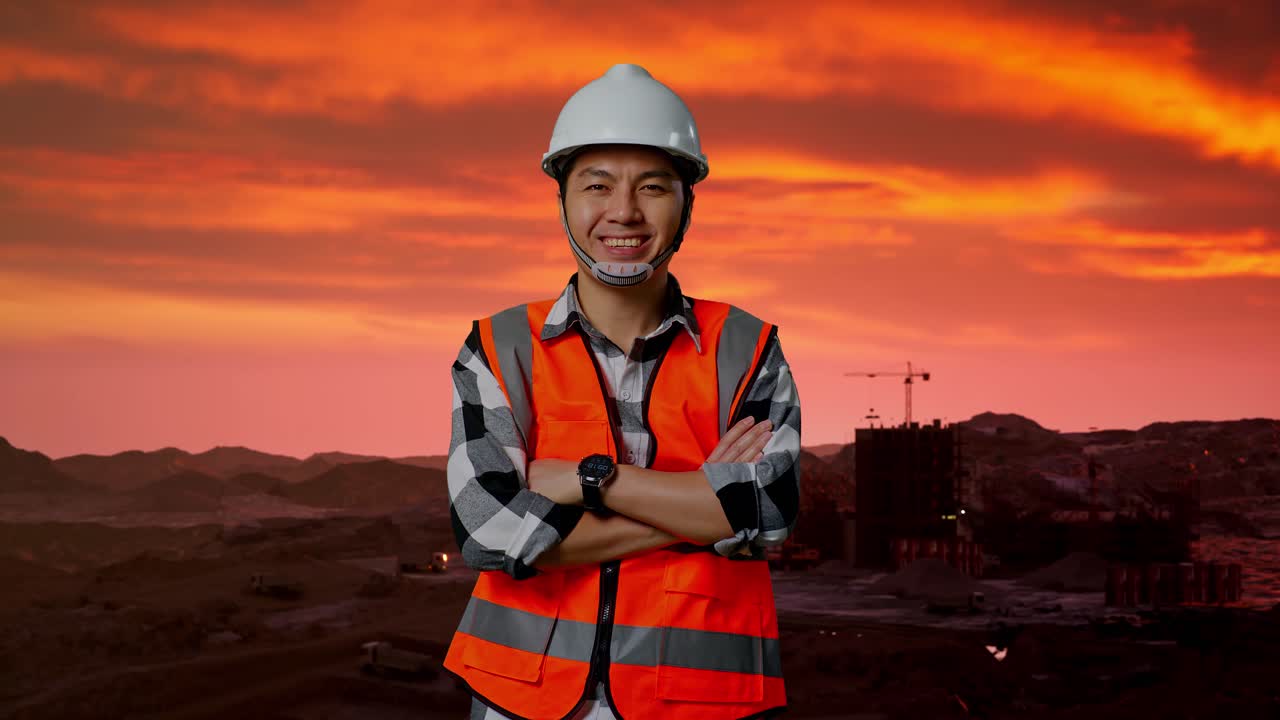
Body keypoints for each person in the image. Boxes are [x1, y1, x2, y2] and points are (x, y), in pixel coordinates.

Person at [443, 63, 801, 720]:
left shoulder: (745, 347)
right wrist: (702, 512)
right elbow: (488, 531)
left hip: (698, 701)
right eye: (597, 185)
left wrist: (584, 481)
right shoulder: (500, 346)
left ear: (687, 201)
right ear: (562, 200)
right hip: (519, 698)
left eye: (653, 187)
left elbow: (769, 515)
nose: (624, 212)